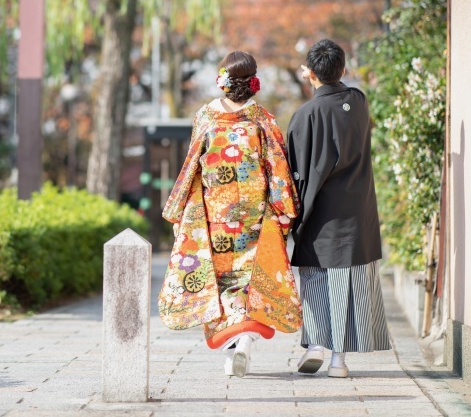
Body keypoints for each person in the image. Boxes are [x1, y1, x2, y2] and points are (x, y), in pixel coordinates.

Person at [158, 51, 302, 378]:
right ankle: (245, 341)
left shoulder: (206, 117)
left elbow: (192, 167)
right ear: (253, 80)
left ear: (223, 78)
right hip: (254, 215)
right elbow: (278, 168)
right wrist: (285, 211)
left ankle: (233, 348)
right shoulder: (262, 119)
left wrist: (180, 211)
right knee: (249, 280)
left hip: (216, 214)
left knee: (221, 281)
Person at [286, 38, 391, 379]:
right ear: (343, 69)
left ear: (309, 74)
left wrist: (291, 216)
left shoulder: (305, 115)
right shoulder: (358, 102)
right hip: (357, 213)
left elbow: (296, 172)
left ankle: (316, 344)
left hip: (320, 215)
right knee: (348, 286)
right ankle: (338, 362)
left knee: (316, 279)